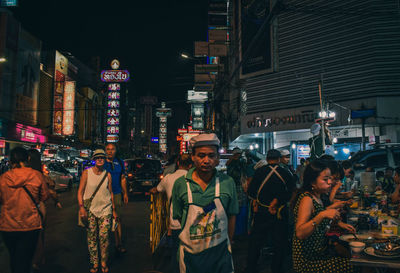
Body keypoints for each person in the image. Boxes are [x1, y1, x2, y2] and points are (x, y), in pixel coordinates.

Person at [171, 133, 239, 273]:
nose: (206, 160)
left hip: (220, 254)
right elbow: (179, 217)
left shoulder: (227, 182)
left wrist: (229, 241)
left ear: (217, 158)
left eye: (211, 155)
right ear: (193, 157)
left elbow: (232, 215)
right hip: (191, 257)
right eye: (201, 156)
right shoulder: (180, 184)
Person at [291, 159, 357, 273]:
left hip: (319, 254)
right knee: (355, 266)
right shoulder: (307, 199)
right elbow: (300, 233)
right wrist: (322, 215)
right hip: (307, 261)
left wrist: (338, 222)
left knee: (354, 260)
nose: (330, 182)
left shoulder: (318, 197)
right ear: (312, 182)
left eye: (330, 178)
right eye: (325, 179)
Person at [245, 149, 296, 273]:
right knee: (280, 242)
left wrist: (258, 201)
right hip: (280, 213)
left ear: (267, 159)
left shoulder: (259, 172)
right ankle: (277, 268)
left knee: (256, 241)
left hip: (262, 212)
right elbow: (291, 192)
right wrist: (278, 201)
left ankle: (251, 267)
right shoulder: (286, 172)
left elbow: (251, 191)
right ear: (279, 159)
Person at [0, 147, 49, 273]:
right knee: (25, 260)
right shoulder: (36, 176)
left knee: (14, 258)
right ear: (27, 158)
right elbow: (44, 196)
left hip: (8, 226)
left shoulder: (4, 178)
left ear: (11, 161)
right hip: (30, 226)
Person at [150, 154, 192, 273]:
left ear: (178, 163)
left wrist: (151, 191)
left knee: (176, 253)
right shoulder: (194, 178)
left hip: (175, 223)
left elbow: (157, 189)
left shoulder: (168, 178)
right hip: (192, 222)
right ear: (190, 165)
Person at [78, 149, 116, 273]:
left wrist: (114, 210)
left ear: (105, 160)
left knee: (104, 237)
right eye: (97, 157)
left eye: (102, 157)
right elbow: (80, 192)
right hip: (90, 211)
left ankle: (103, 261)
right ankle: (94, 263)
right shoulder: (86, 173)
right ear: (94, 159)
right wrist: (81, 207)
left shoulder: (107, 175)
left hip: (105, 210)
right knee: (91, 238)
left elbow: (110, 193)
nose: (100, 159)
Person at [27, 149, 62, 272]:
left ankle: (33, 259)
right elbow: (50, 191)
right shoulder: (40, 175)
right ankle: (39, 260)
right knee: (39, 236)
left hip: (26, 209)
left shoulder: (21, 174)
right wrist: (56, 200)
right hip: (39, 207)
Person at [104, 143, 128, 254]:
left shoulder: (120, 162)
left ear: (116, 150)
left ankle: (118, 243)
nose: (110, 151)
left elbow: (122, 178)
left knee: (117, 219)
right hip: (103, 195)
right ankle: (104, 245)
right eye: (108, 149)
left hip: (117, 194)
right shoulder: (101, 162)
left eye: (112, 149)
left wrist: (125, 193)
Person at [226, 147, 248, 235]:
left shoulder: (235, 162)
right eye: (237, 154)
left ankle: (237, 232)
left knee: (237, 210)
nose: (238, 156)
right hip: (237, 188)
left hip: (236, 188)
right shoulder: (234, 163)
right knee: (237, 210)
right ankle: (237, 232)